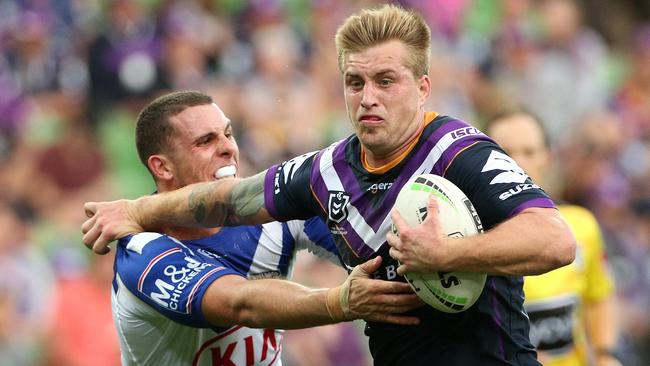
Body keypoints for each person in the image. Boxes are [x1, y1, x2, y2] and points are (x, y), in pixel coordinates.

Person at [82, 5, 576, 365]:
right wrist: (136, 211)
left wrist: (445, 256)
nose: (368, 98)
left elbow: (554, 240)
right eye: (355, 83)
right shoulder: (325, 173)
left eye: (386, 81)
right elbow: (234, 206)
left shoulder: (461, 152)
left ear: (422, 88)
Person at [106, 90, 422, 365]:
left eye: (228, 134)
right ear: (162, 167)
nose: (228, 148)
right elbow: (240, 303)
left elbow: (369, 247)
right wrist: (340, 302)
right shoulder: (143, 253)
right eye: (205, 141)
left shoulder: (271, 213)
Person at [486, 110, 622, 366]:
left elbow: (599, 295)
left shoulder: (581, 225)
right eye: (505, 152)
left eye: (529, 152)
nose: (517, 162)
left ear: (547, 158)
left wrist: (606, 354)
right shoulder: (465, 239)